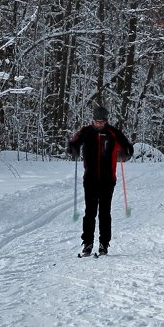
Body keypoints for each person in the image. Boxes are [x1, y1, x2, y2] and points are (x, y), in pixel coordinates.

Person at [68, 105, 134, 257]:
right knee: (89, 211)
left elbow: (128, 147)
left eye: (102, 122)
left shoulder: (113, 133)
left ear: (106, 121)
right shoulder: (86, 131)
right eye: (96, 121)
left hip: (107, 179)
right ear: (93, 120)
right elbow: (73, 143)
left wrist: (125, 152)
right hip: (90, 178)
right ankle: (87, 243)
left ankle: (104, 243)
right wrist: (73, 149)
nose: (99, 124)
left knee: (105, 212)